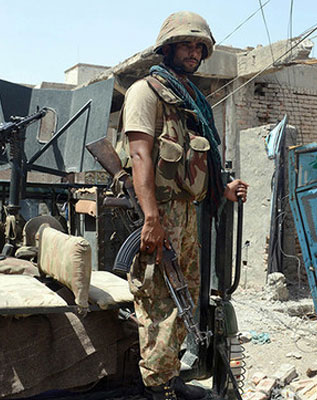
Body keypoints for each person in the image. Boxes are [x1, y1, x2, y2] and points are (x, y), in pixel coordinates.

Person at [118, 11, 248, 400]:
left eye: (199, 46)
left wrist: (222, 188)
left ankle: (170, 376)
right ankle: (158, 389)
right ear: (168, 47)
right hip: (161, 212)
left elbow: (196, 162)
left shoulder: (190, 99)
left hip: (191, 213)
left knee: (183, 302)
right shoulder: (147, 91)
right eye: (186, 44)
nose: (193, 52)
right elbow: (140, 156)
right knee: (158, 303)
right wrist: (152, 218)